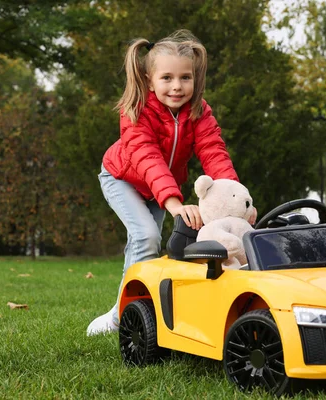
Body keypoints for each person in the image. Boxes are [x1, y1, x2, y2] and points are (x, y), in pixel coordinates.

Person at [87, 30, 255, 336]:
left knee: (146, 246)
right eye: (167, 78)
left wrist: (236, 203)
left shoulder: (199, 113)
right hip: (121, 177)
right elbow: (147, 157)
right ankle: (121, 317)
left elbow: (214, 153)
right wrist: (174, 203)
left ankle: (134, 312)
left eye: (185, 78)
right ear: (150, 80)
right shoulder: (136, 111)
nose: (177, 86)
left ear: (195, 78)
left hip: (160, 189)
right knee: (147, 236)